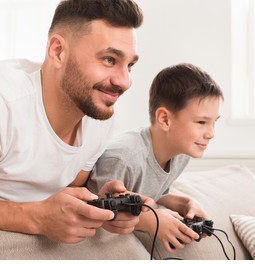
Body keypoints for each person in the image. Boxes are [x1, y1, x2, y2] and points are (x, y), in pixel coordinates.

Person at [0, 0, 153, 245]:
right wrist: (36, 218)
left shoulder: (99, 115)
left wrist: (99, 206)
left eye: (129, 65)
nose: (125, 82)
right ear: (58, 51)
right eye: (109, 59)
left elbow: (61, 191)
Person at [87, 63, 224, 252]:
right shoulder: (123, 159)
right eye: (201, 122)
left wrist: (186, 204)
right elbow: (93, 209)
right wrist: (151, 220)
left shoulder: (180, 155)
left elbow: (154, 192)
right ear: (165, 120)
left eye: (213, 123)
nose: (211, 133)